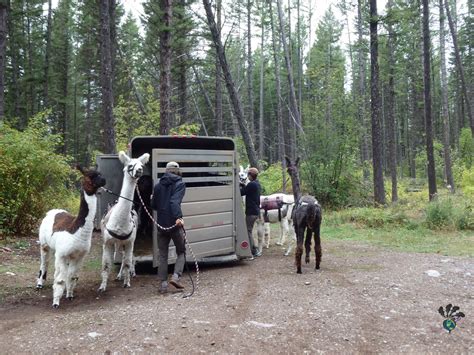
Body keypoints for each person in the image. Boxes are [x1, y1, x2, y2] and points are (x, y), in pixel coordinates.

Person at [151, 161, 186, 294]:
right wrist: (179, 217)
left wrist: (151, 199)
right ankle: (176, 277)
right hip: (174, 225)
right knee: (181, 251)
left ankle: (163, 285)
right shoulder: (180, 184)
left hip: (161, 226)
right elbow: (174, 202)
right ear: (177, 171)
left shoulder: (158, 186)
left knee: (163, 255)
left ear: (166, 171)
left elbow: (154, 205)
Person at [240, 167, 262, 258]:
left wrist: (239, 186)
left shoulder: (251, 185)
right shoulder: (257, 184)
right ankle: (254, 250)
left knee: (247, 231)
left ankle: (252, 251)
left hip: (251, 212)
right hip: (255, 211)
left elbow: (241, 192)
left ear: (250, 175)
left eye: (248, 174)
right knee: (249, 231)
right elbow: (247, 189)